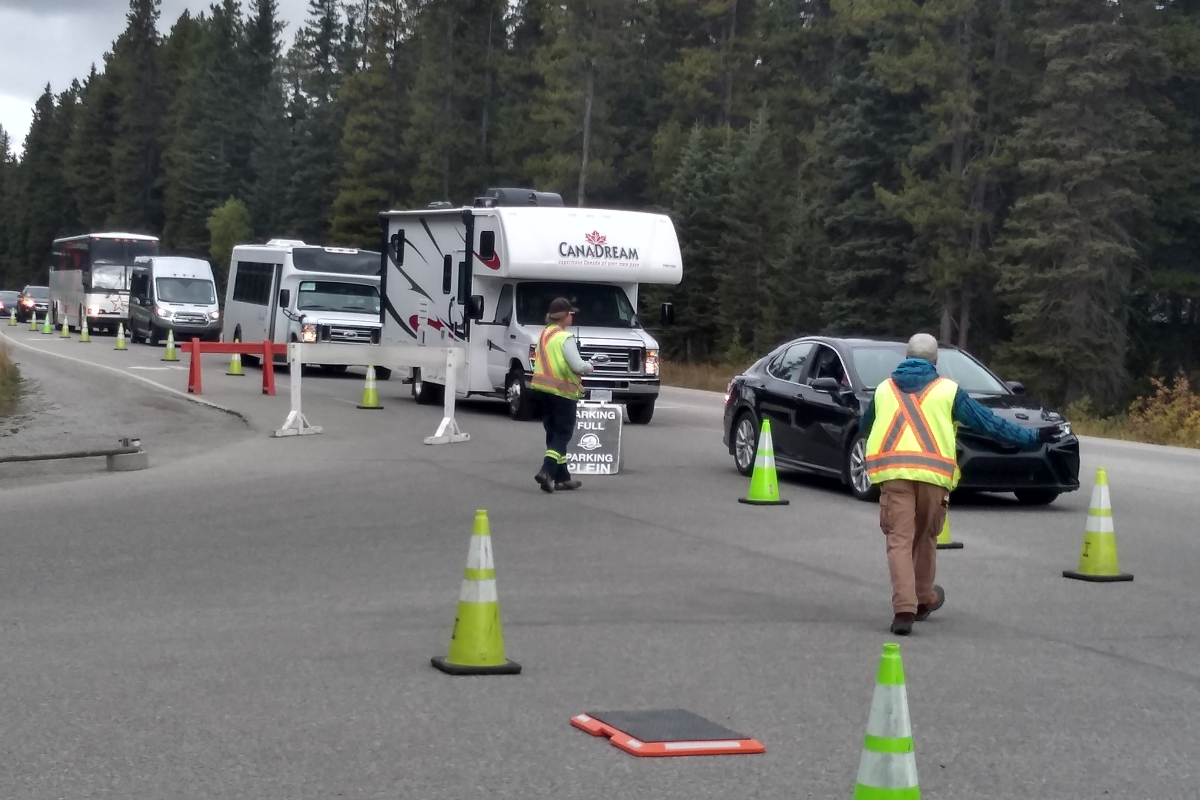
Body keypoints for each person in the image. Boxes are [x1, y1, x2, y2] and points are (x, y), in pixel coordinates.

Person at [859, 333, 1064, 635]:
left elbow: (866, 426)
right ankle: (924, 598)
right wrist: (1033, 437)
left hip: (894, 475)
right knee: (927, 538)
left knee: (899, 542)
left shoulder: (884, 390)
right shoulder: (949, 391)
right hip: (933, 478)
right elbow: (989, 423)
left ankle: (905, 609)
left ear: (906, 357)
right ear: (936, 360)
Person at [529, 297, 594, 493]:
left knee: (552, 433)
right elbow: (576, 365)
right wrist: (589, 366)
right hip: (562, 392)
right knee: (563, 434)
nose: (573, 316)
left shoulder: (544, 335)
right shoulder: (564, 338)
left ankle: (562, 478)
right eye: (571, 313)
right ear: (563, 316)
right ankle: (547, 471)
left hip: (542, 390)